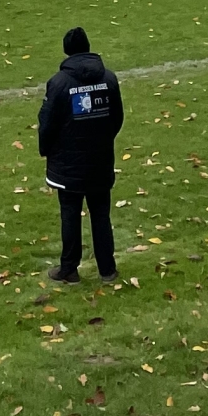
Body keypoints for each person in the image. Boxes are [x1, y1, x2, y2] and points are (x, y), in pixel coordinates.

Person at [38, 26, 122, 283]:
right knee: (101, 214)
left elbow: (47, 123)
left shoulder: (59, 83)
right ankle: (107, 269)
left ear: (67, 51)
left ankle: (69, 269)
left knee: (70, 215)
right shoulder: (109, 79)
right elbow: (117, 118)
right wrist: (102, 141)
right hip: (100, 161)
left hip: (68, 165)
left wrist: (46, 150)